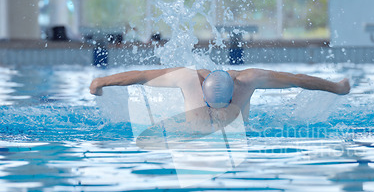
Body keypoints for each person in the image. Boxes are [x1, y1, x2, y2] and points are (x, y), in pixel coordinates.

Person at [90, 67, 350, 128]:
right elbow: (144, 76)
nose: (216, 114)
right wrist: (101, 81)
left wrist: (337, 88)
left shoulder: (248, 81)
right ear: (201, 94)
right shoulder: (188, 78)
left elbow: (298, 80)